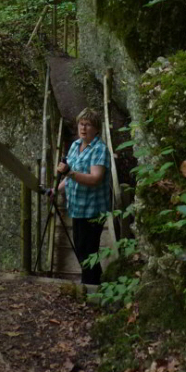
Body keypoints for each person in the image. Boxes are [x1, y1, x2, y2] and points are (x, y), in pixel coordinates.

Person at [54, 107, 111, 285]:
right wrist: (55, 190)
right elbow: (69, 178)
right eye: (81, 124)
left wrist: (69, 172)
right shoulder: (75, 145)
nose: (83, 128)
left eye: (88, 125)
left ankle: (91, 286)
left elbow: (95, 179)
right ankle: (94, 283)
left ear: (96, 129)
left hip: (93, 209)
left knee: (88, 250)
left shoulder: (99, 149)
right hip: (77, 207)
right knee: (81, 249)